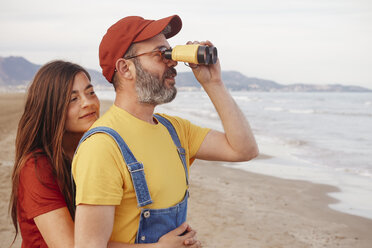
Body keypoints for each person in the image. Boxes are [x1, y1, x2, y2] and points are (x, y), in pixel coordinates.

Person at [72, 15, 259, 247]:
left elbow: (244, 150)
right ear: (125, 68)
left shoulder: (175, 130)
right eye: (160, 54)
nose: (172, 62)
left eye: (170, 53)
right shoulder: (102, 146)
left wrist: (213, 83)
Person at [9, 60, 199, 248]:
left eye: (91, 92)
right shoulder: (36, 167)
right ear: (50, 108)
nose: (88, 103)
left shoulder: (98, 148)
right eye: (73, 99)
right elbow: (70, 245)